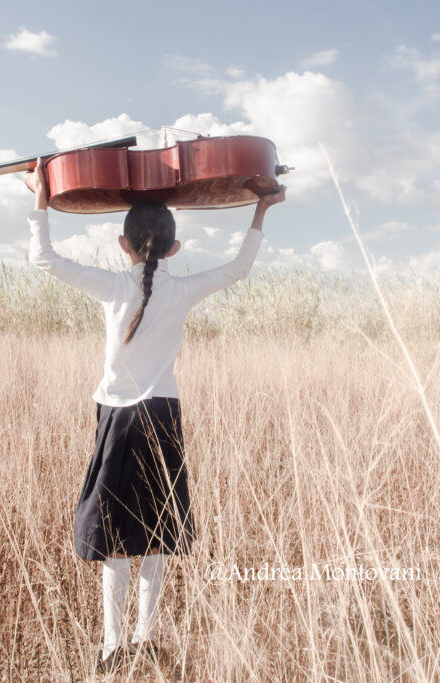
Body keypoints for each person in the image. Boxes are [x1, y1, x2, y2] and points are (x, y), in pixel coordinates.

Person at [24, 159, 285, 674]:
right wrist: (261, 207)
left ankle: (111, 643)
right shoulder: (181, 289)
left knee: (116, 535)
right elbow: (237, 268)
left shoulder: (114, 287)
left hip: (117, 419)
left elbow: (45, 260)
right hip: (162, 416)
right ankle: (145, 637)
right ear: (175, 248)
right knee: (156, 532)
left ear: (124, 245)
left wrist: (40, 195)